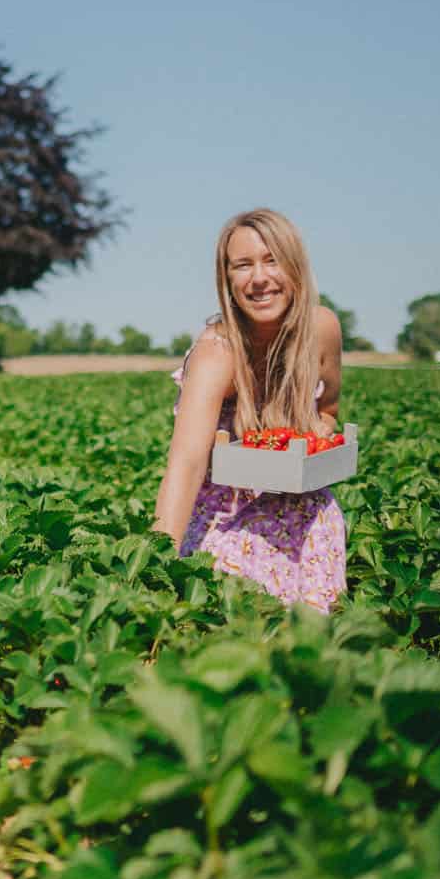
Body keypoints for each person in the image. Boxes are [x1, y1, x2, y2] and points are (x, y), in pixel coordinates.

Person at [153, 208, 348, 610]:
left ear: (295, 267)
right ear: (227, 279)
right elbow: (186, 463)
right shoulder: (218, 353)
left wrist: (310, 444)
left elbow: (329, 410)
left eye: (271, 260)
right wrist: (155, 567)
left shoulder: (321, 329)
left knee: (312, 651)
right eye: (243, 265)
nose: (259, 278)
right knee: (239, 632)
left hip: (305, 513)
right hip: (229, 517)